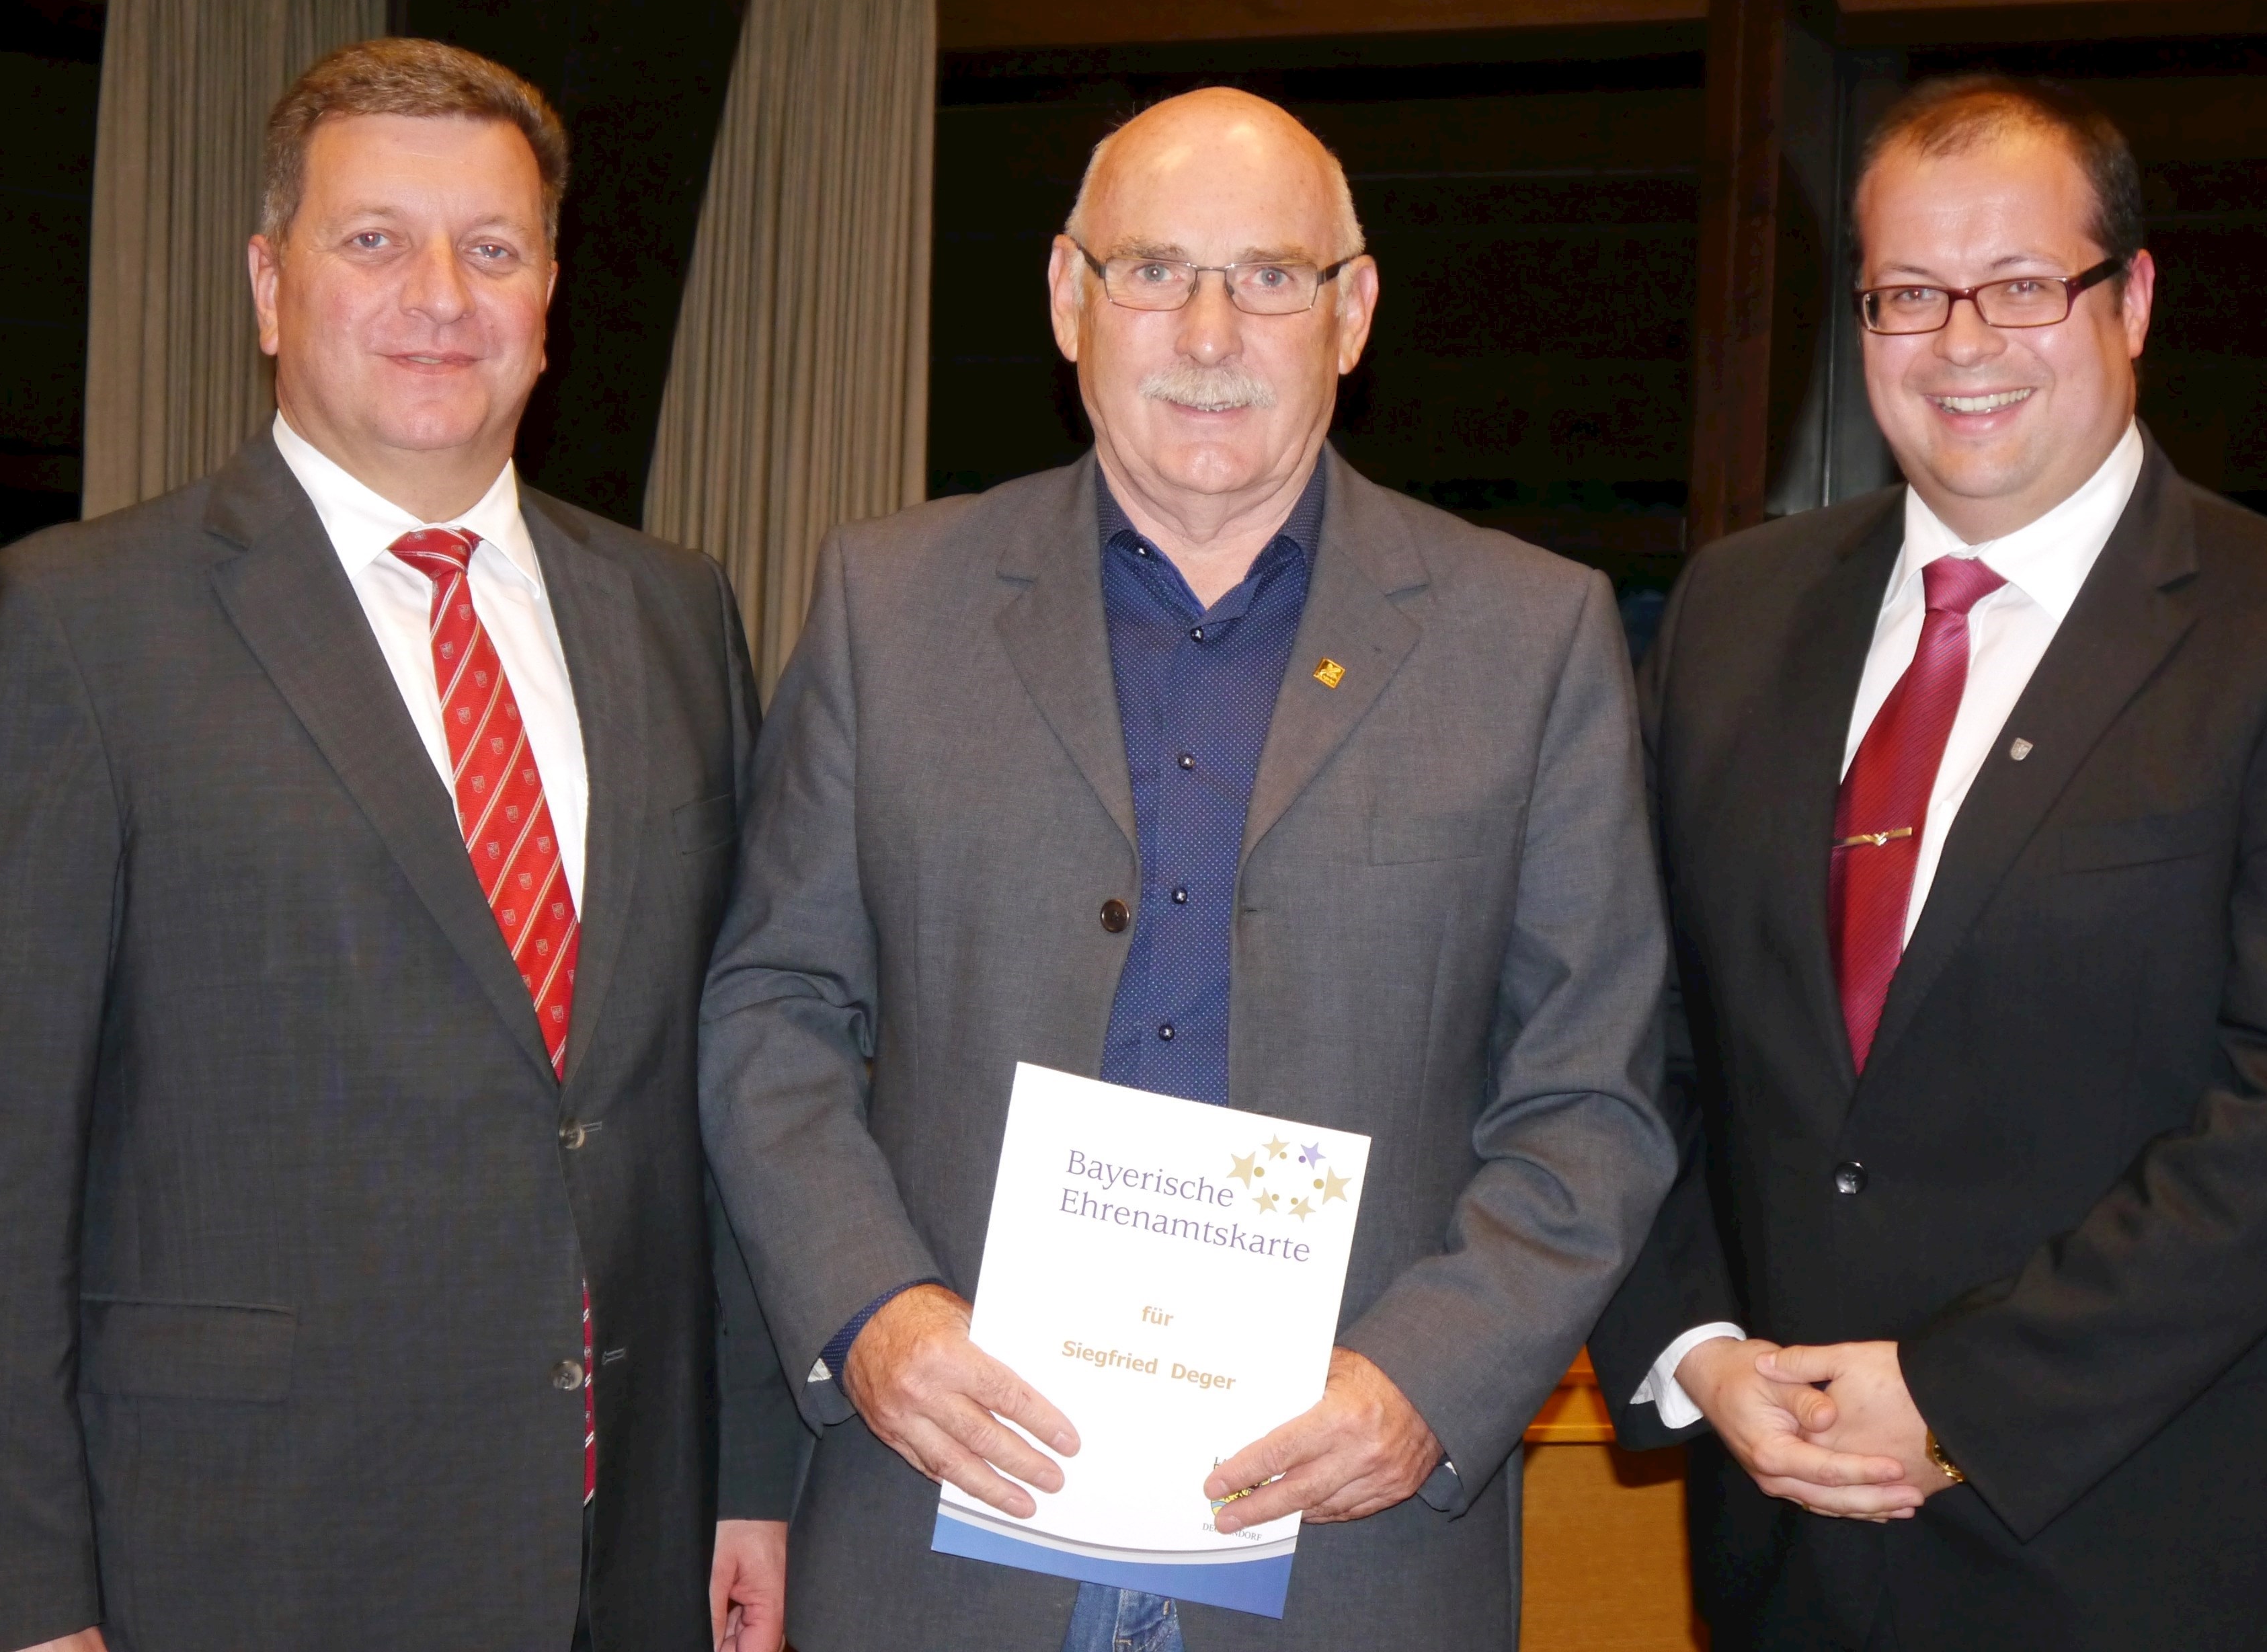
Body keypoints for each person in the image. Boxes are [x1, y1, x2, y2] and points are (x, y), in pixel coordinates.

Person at [699, 86, 1674, 1650]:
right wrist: (869, 1312)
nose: (1207, 333)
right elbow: (774, 1016)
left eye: (1270, 276)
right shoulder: (889, 604)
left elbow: (1593, 1101)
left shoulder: (1531, 637)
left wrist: (1426, 1383)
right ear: (1066, 297)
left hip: (1346, 1557)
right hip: (941, 1526)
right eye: (1152, 270)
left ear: (1351, 312)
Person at [0, 38, 803, 1652]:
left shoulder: (673, 614)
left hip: (628, 1550)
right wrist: (16, 1605)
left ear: (548, 292)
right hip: (240, 1561)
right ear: (267, 283)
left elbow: (719, 1080)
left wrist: (753, 1480)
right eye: (374, 240)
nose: (440, 295)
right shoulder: (77, 629)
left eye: (491, 248)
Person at [1591, 73, 2267, 1649]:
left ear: (2129, 300)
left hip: (2137, 1557)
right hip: (1781, 1546)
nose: (1959, 343)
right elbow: (1637, 1037)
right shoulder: (1729, 613)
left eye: (2016, 285)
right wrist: (1699, 1344)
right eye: (1906, 294)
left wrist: (1956, 1394)